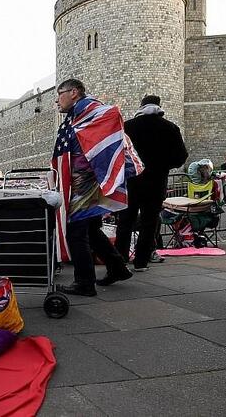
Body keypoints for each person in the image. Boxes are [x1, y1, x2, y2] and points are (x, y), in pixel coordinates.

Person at [51, 79, 141, 296]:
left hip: (86, 181)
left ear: (74, 92)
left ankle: (84, 282)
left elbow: (109, 124)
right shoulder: (79, 115)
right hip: (85, 179)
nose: (57, 100)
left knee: (75, 232)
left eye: (60, 93)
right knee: (90, 229)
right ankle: (117, 267)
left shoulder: (92, 111)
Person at [115, 95, 188, 273]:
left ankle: (120, 260)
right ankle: (141, 262)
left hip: (132, 181)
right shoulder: (170, 127)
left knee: (125, 221)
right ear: (159, 107)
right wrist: (163, 166)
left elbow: (117, 153)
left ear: (141, 106)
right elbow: (181, 156)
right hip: (156, 182)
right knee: (149, 223)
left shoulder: (128, 126)